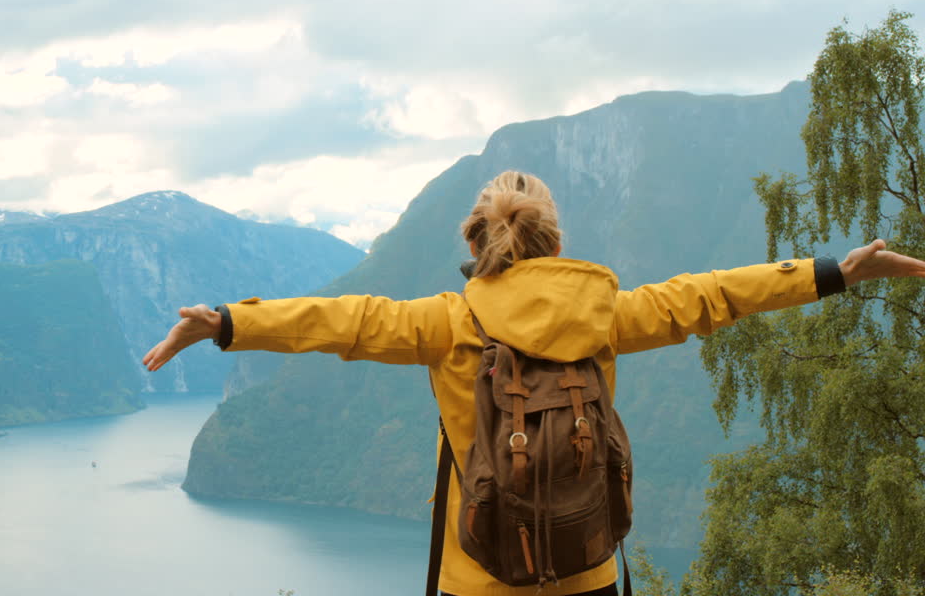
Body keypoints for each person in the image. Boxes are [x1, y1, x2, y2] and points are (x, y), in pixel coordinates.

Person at [143, 170, 925, 596]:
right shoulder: (608, 314)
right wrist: (833, 272)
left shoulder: (446, 322)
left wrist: (228, 323)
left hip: (480, 575)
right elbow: (711, 296)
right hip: (585, 566)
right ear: (555, 241)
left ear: (479, 244)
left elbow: (342, 322)